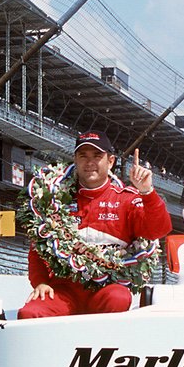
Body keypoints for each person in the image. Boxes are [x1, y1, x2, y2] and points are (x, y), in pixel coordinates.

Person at [19, 131, 172, 318]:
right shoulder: (54, 199)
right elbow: (37, 249)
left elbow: (159, 230)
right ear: (75, 160)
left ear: (111, 161)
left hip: (106, 288)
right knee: (30, 312)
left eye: (97, 156)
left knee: (118, 297)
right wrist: (41, 282)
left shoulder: (127, 199)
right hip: (64, 289)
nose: (89, 162)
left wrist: (147, 192)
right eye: (83, 156)